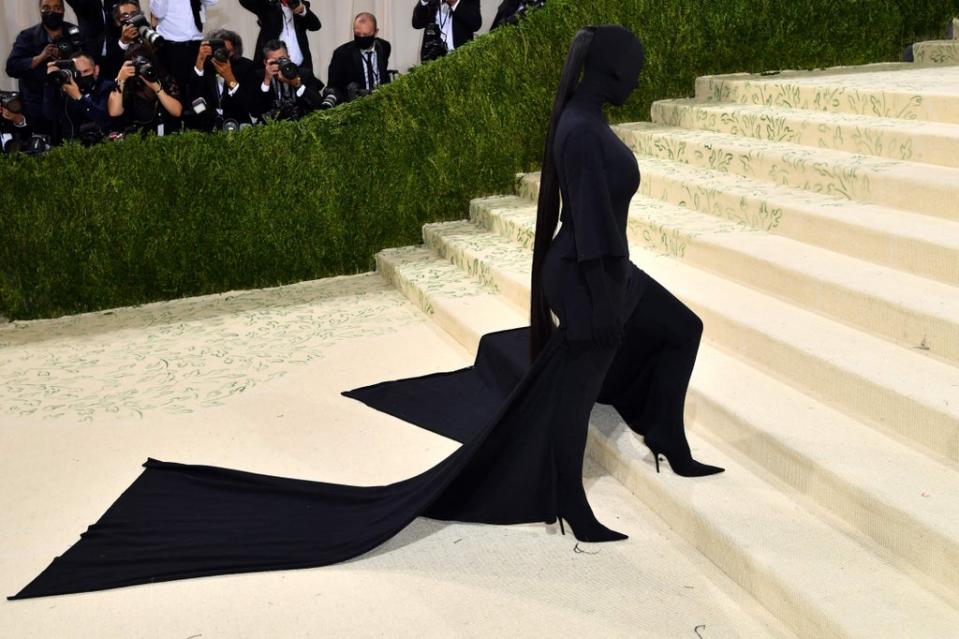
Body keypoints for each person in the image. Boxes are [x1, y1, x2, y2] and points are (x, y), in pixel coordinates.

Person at [8, 26, 725, 603]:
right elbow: (593, 225)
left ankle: (663, 434)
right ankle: (569, 496)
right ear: (609, 74)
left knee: (676, 330)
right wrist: (599, 311)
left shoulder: (582, 119)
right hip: (593, 272)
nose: (637, 72)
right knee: (567, 393)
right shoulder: (581, 129)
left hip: (598, 266)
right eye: (631, 63)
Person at [4, 0, 86, 136]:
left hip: (71, 103)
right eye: (46, 8)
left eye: (56, 8)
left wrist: (66, 58)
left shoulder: (74, 33)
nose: (51, 12)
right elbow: (12, 67)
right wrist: (40, 57)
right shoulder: (27, 36)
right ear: (40, 10)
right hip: (37, 108)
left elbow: (88, 61)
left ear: (63, 10)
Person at [186, 29, 256, 131]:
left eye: (226, 52)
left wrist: (230, 79)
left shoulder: (246, 67)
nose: (221, 55)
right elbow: (193, 100)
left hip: (238, 127)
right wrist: (200, 62)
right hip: (208, 128)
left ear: (235, 51)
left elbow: (249, 106)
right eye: (218, 50)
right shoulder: (202, 67)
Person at [108, 44, 183, 136]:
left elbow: (177, 111)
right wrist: (120, 79)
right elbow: (114, 112)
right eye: (136, 65)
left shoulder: (165, 79)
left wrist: (157, 88)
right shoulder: (126, 85)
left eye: (144, 63)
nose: (141, 68)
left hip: (167, 135)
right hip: (139, 138)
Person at [150, 0, 218, 99]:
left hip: (196, 45)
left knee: (199, 90)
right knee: (175, 93)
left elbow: (213, 1)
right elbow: (158, 12)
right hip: (172, 48)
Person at [42, 52, 114, 144]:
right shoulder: (66, 87)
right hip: (72, 145)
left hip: (101, 143)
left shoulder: (107, 87)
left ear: (96, 70)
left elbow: (104, 119)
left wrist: (79, 97)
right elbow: (49, 114)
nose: (82, 76)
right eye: (78, 73)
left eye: (86, 71)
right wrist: (50, 82)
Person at [250, 39, 324, 122]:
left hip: (301, 125)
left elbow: (318, 105)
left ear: (289, 57)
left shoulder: (304, 74)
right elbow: (255, 112)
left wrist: (297, 84)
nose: (279, 65)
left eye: (282, 59)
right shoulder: (259, 76)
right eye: (274, 62)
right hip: (271, 129)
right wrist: (266, 81)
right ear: (265, 62)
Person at [239, 0, 322, 74]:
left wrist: (302, 10)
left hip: (300, 68)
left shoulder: (297, 3)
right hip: (272, 68)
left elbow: (315, 26)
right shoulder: (267, 5)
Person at [327, 12, 391, 101]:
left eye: (366, 34)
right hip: (354, 106)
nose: (361, 37)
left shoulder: (384, 46)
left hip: (381, 102)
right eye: (357, 34)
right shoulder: (341, 54)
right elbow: (333, 88)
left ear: (376, 32)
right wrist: (354, 93)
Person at [412, 0, 482, 54]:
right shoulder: (433, 1)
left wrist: (455, 3)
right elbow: (417, 24)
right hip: (432, 59)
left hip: (460, 57)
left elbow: (476, 24)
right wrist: (424, 2)